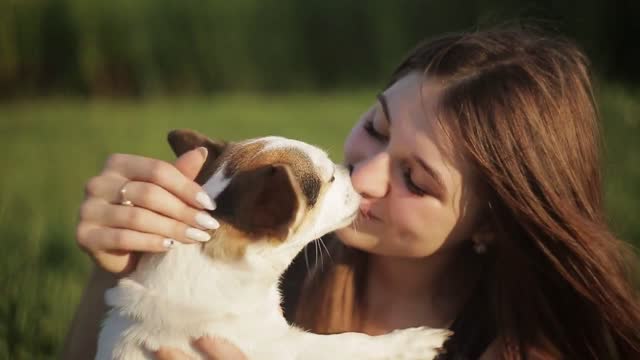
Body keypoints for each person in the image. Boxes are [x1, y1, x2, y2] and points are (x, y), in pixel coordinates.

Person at [63, 27, 640, 359]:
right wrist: (118, 271)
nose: (362, 177)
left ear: (493, 222)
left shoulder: (512, 348)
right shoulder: (274, 269)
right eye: (376, 129)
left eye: (416, 179)